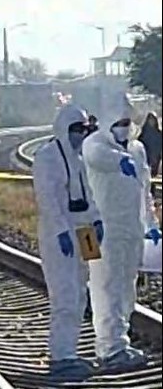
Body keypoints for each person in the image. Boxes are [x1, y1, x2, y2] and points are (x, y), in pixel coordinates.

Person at [82, 92, 161, 372]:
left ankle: (119, 341)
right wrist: (120, 161)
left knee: (126, 287)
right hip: (95, 231)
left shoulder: (137, 150)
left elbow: (144, 191)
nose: (124, 126)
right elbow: (101, 157)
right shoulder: (93, 145)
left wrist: (151, 225)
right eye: (118, 121)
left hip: (130, 229)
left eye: (128, 121)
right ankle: (109, 349)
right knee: (105, 287)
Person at [33, 105, 103, 379]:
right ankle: (61, 355)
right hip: (59, 233)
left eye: (84, 130)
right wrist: (61, 230)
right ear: (63, 128)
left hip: (84, 231)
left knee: (82, 293)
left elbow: (90, 193)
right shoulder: (48, 157)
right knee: (65, 295)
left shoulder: (80, 157)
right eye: (75, 129)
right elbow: (47, 199)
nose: (79, 135)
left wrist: (97, 221)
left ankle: (71, 352)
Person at [138, 112, 162, 194]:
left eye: (153, 119)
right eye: (150, 119)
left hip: (156, 157)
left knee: (153, 175)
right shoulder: (144, 133)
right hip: (146, 158)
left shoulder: (159, 133)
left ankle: (152, 191)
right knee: (147, 176)